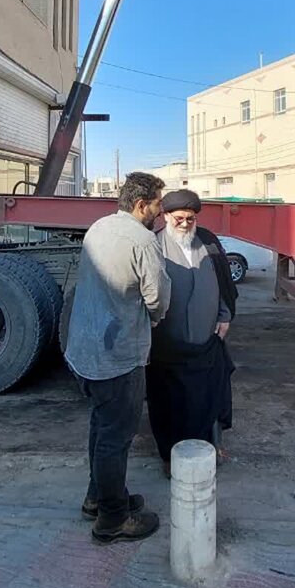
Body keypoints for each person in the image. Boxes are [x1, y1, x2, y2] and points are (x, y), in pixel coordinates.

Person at [64, 171, 171, 543]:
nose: (161, 213)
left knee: (101, 426)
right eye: (158, 205)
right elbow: (158, 297)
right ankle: (112, 520)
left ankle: (98, 497)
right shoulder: (142, 239)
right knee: (115, 437)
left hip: (84, 351)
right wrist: (154, 318)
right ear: (141, 205)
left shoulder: (99, 227)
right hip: (117, 356)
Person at [148, 189, 238, 478]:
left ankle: (208, 447)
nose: (186, 224)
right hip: (167, 346)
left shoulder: (208, 242)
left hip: (204, 342)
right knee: (169, 403)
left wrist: (224, 314)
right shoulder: (153, 245)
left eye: (191, 218)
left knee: (205, 398)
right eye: (179, 218)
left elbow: (224, 283)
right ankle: (170, 456)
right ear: (165, 216)